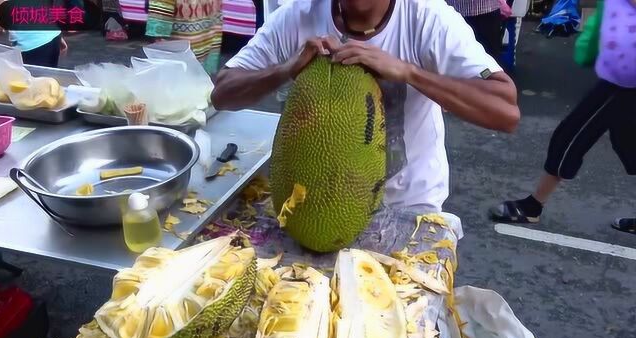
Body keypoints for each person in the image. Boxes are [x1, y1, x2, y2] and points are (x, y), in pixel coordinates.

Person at [211, 0, 520, 224]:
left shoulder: (428, 18)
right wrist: (285, 69)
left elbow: (505, 110)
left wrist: (409, 72)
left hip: (408, 206)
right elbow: (222, 93)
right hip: (313, 204)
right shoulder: (297, 16)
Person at [489, 0, 636, 235]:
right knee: (627, 144)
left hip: (625, 85)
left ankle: (533, 206)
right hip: (619, 77)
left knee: (570, 136)